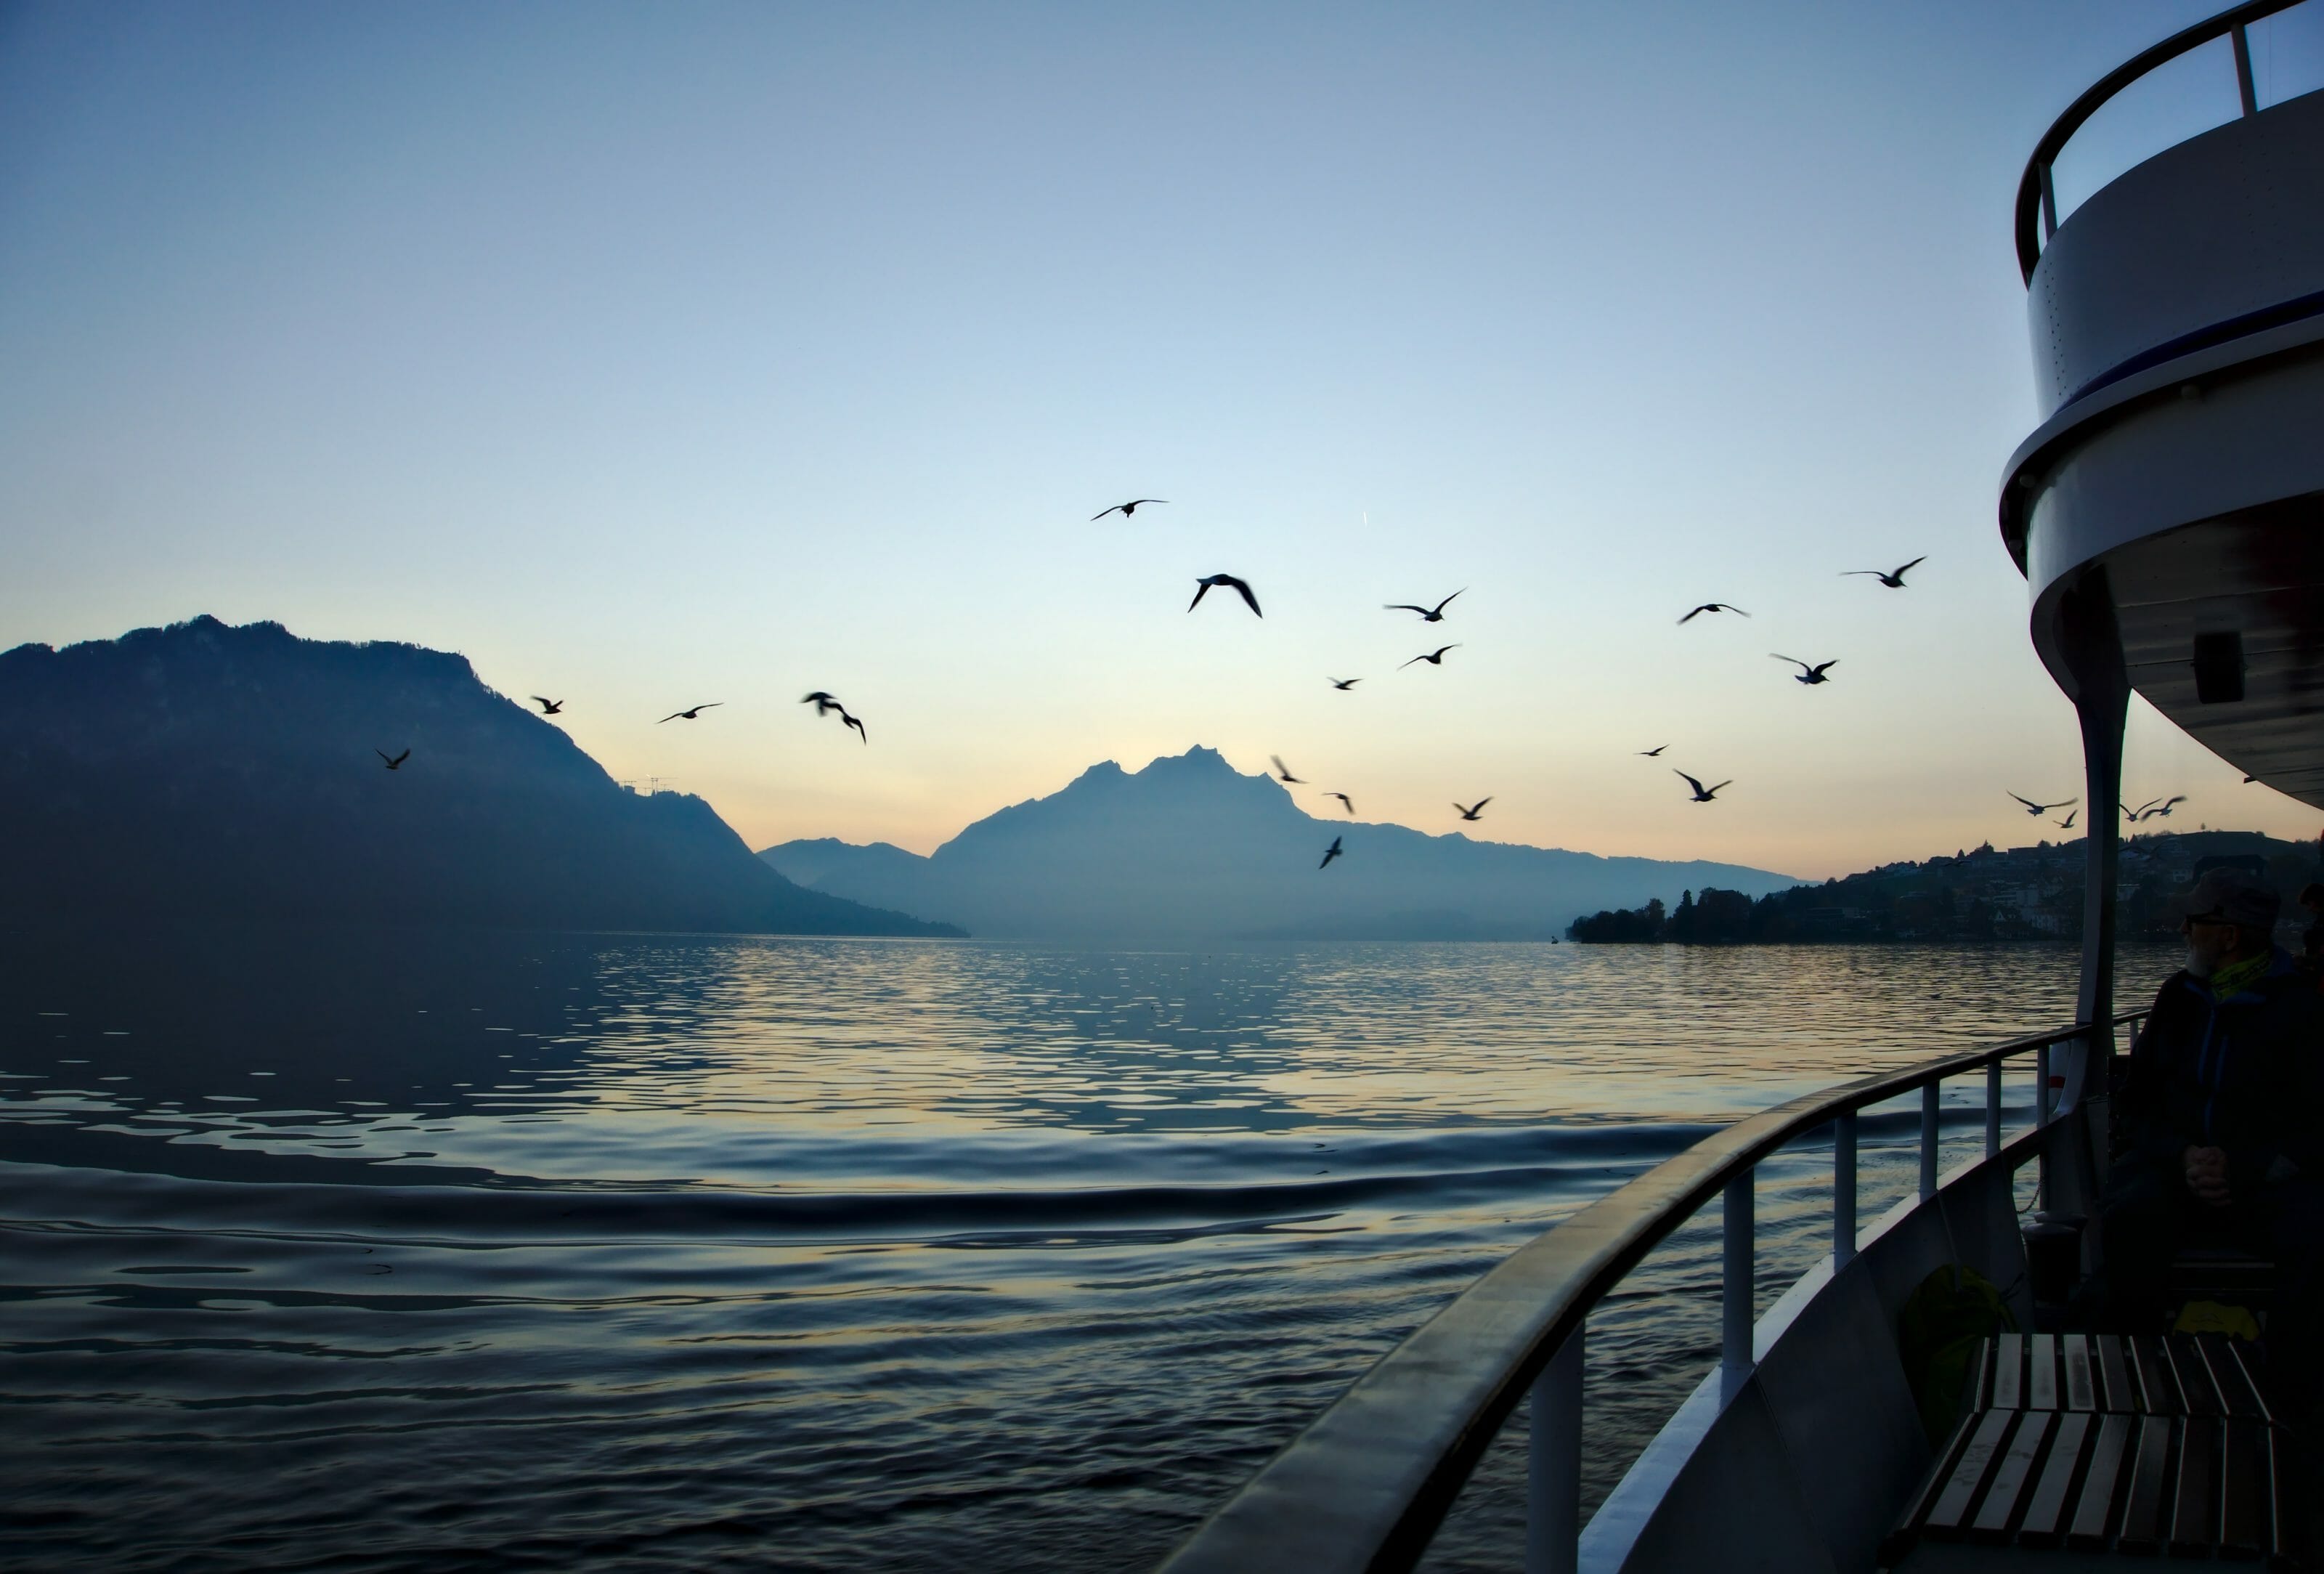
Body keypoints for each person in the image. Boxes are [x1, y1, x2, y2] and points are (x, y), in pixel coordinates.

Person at [2091, 868, 2324, 1419]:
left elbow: (2317, 1121)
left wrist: (2244, 1166)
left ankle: (2290, 1401)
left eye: (2193, 922)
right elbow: (2137, 1102)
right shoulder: (2178, 997)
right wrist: (2184, 1155)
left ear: (2229, 935)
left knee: (2318, 1235)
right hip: (2176, 1171)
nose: (2182, 931)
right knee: (2127, 1216)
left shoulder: (2302, 1006)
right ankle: (2135, 1378)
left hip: (2266, 1181)